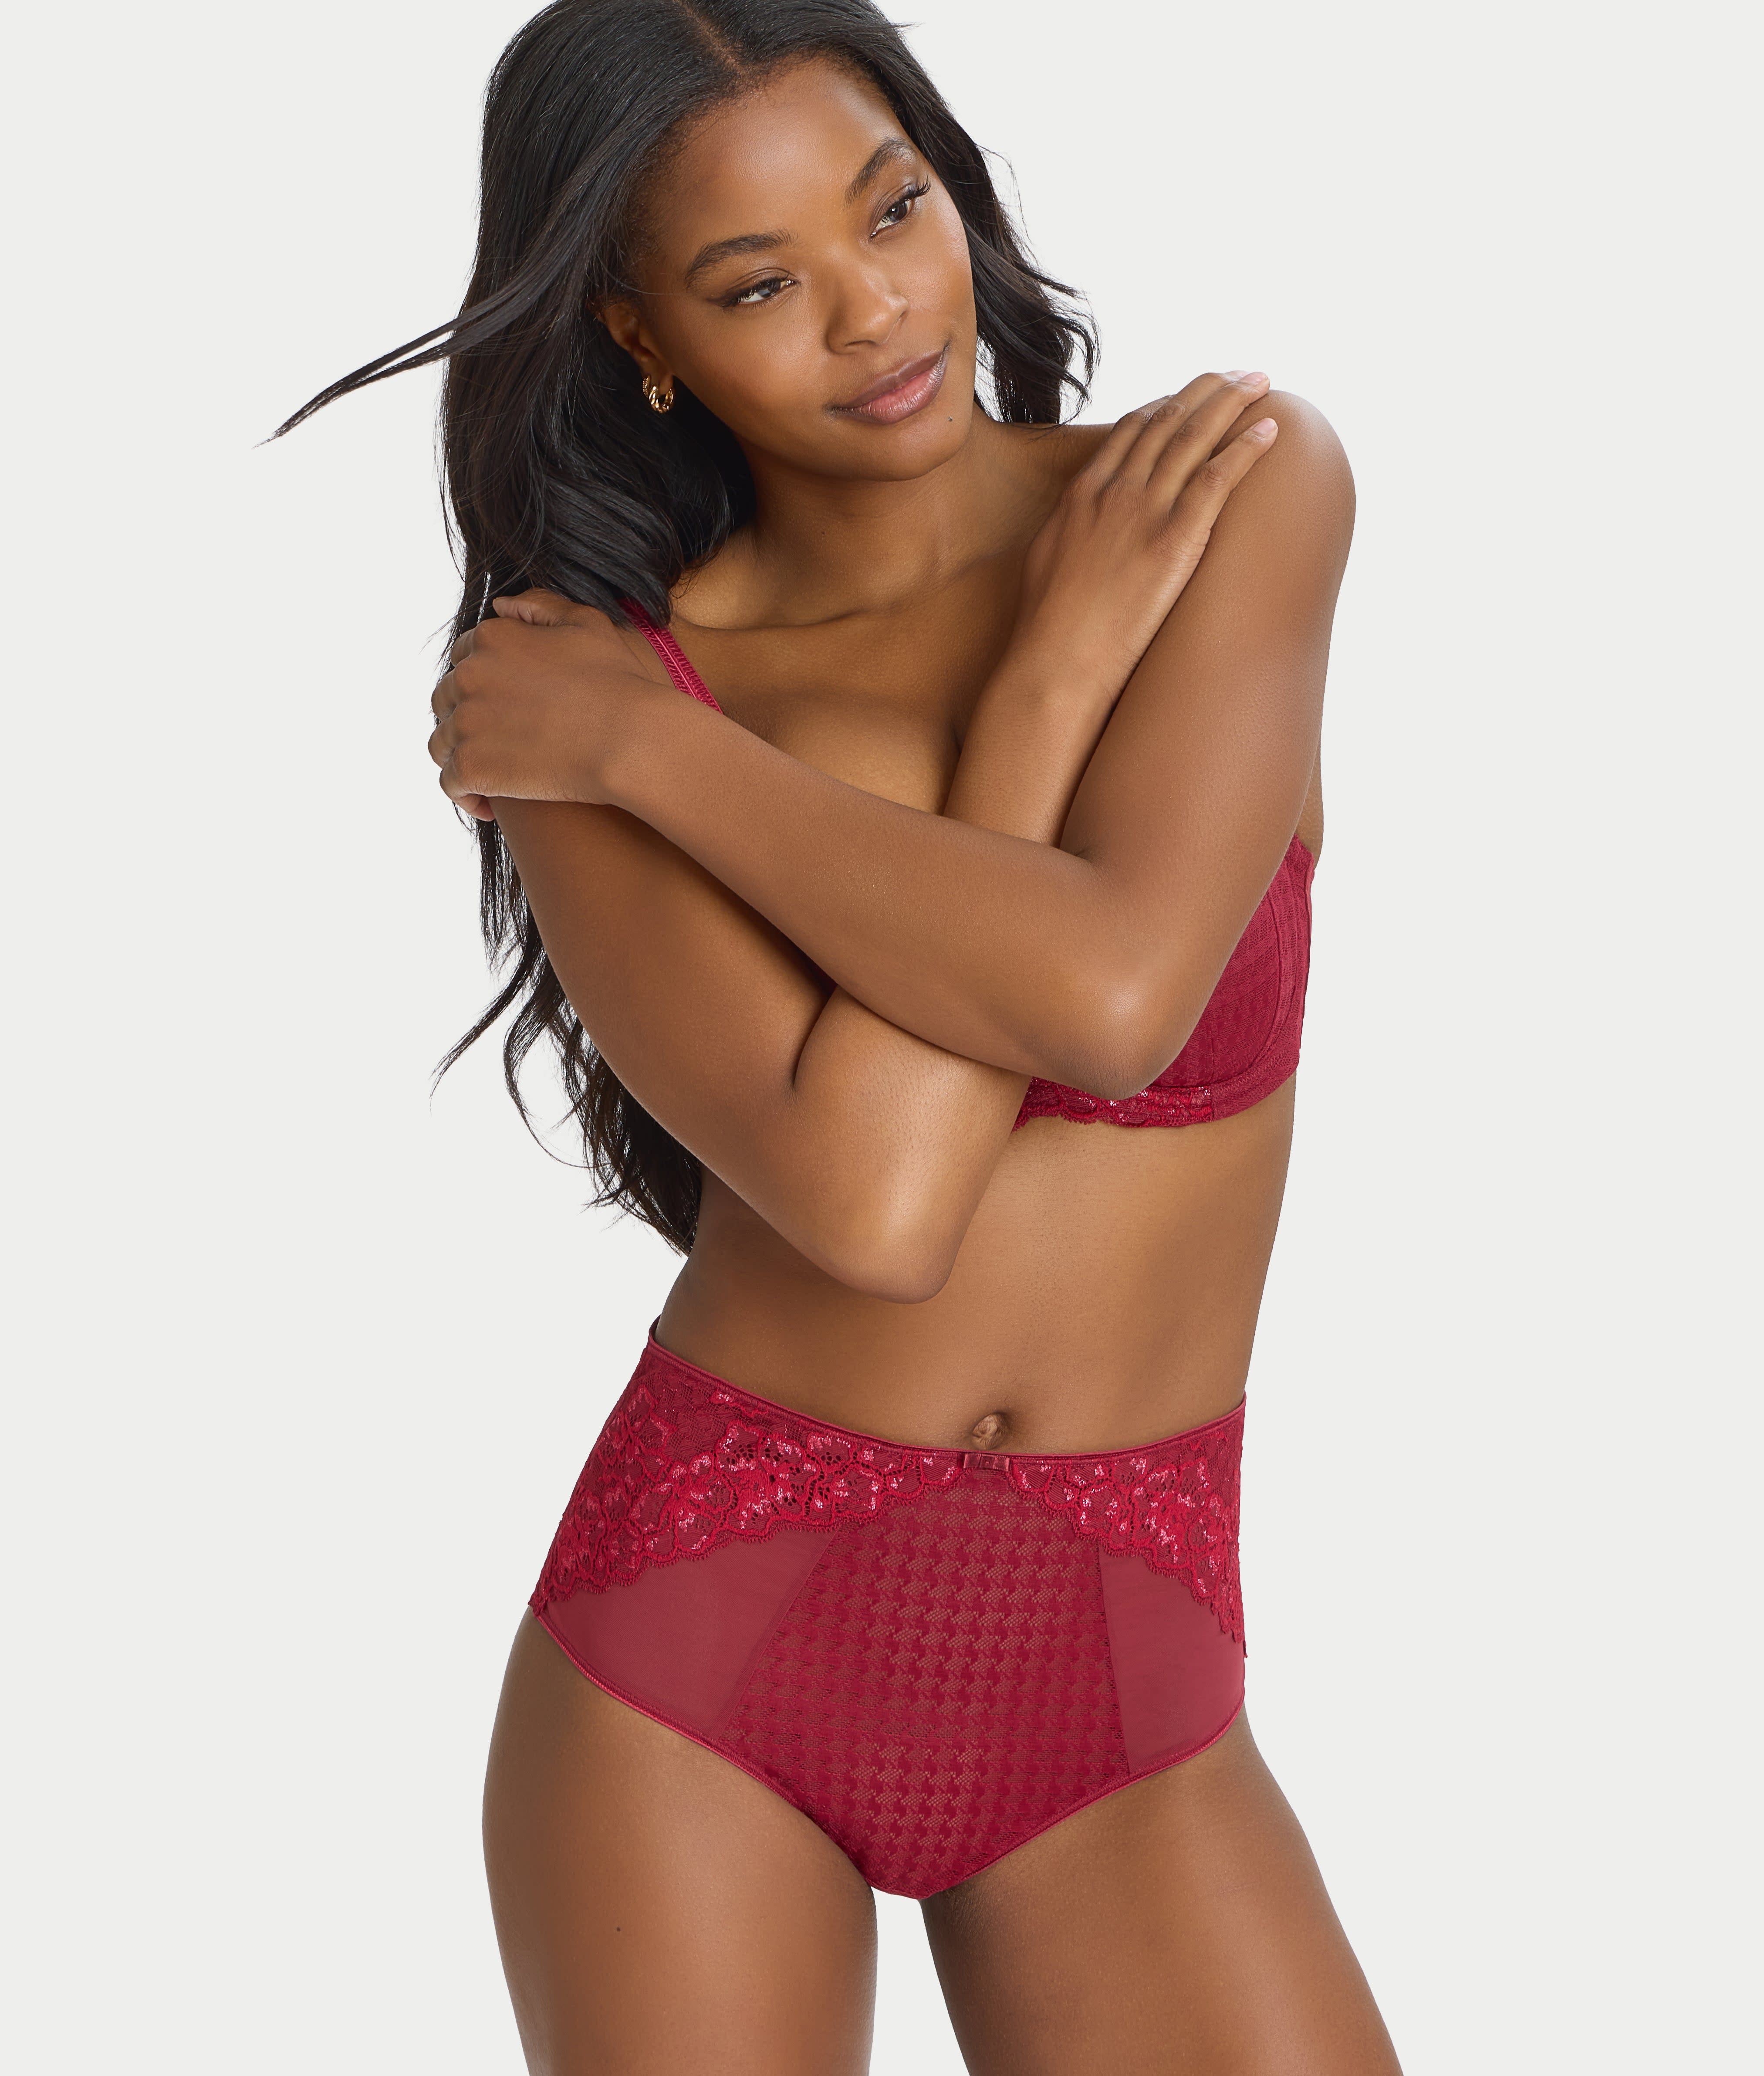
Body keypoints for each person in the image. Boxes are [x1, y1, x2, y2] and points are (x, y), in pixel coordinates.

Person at [287, 2, 1393, 2068]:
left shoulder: (1219, 496)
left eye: (890, 209)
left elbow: (1112, 994)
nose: (872, 310)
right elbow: (875, 1200)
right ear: (639, 334)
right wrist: (1025, 683)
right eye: (754, 284)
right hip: (704, 1652)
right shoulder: (577, 695)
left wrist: (687, 755)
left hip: (1128, 1673)